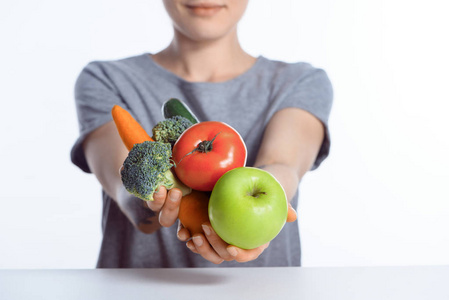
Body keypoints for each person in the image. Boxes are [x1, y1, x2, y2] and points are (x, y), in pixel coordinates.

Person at [71, 0, 333, 268]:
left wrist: (267, 210)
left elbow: (282, 164)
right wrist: (158, 197)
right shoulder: (105, 79)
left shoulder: (301, 81)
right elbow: (127, 193)